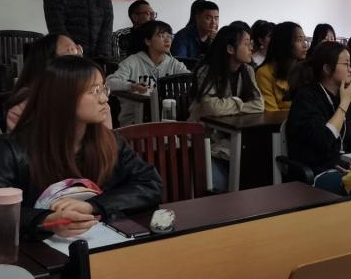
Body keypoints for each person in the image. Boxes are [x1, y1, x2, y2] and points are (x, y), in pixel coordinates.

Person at [0, 56, 162, 238]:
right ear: (63, 98)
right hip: (40, 252)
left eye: (104, 89)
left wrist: (93, 206)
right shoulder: (17, 150)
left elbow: (150, 184)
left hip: (100, 241)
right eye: (94, 91)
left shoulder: (109, 141)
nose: (104, 98)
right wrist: (44, 220)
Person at [286, 40, 351, 194]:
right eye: (346, 64)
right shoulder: (306, 98)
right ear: (327, 68)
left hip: (349, 169)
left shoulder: (350, 100)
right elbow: (323, 140)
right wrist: (343, 105)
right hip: (318, 172)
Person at [188, 25, 265, 191]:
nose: (251, 48)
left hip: (231, 139)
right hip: (205, 139)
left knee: (252, 177)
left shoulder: (248, 70)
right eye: (246, 44)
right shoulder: (207, 70)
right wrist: (240, 103)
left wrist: (231, 104)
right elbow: (212, 107)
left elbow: (259, 104)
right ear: (230, 49)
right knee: (221, 184)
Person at [106, 20, 187, 126]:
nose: (167, 40)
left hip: (167, 117)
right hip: (135, 120)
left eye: (169, 36)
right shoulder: (133, 61)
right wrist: (132, 86)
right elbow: (110, 82)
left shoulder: (174, 64)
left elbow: (190, 81)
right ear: (148, 41)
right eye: (162, 36)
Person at [5, 33, 82, 131]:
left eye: (78, 50)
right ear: (49, 65)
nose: (79, 55)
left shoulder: (84, 94)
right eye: (71, 49)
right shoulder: (24, 105)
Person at [256, 21, 308, 111]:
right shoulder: (264, 73)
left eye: (305, 40)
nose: (305, 45)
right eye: (299, 40)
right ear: (285, 43)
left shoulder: (304, 70)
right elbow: (271, 113)